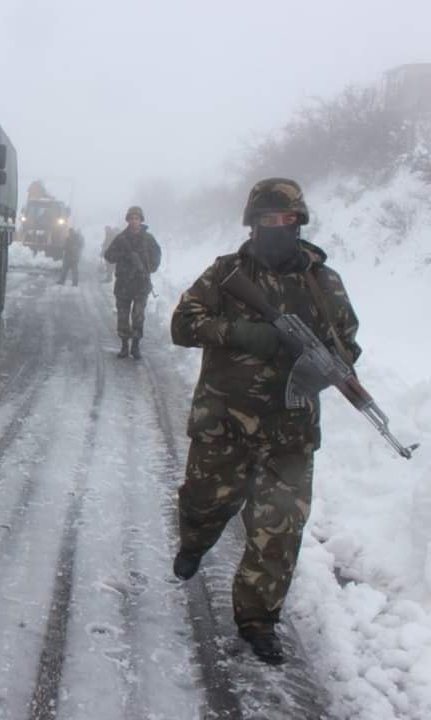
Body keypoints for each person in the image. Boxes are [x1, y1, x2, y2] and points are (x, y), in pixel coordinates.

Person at [169, 178, 361, 665]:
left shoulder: (324, 283)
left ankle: (258, 620)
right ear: (252, 224)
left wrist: (327, 365)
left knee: (279, 531)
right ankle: (195, 541)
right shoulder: (226, 273)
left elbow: (347, 342)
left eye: (286, 220)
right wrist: (238, 332)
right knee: (203, 504)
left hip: (290, 432)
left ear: (299, 223)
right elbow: (182, 324)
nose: (276, 228)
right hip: (222, 423)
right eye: (267, 221)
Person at [103, 206, 161, 358]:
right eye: (132, 218)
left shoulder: (148, 239)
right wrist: (124, 255)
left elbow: (157, 255)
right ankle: (124, 346)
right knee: (123, 317)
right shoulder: (121, 238)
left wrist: (150, 268)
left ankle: (135, 346)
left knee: (138, 316)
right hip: (123, 285)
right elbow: (109, 255)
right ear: (128, 220)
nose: (134, 221)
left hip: (141, 285)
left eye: (137, 218)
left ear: (141, 220)